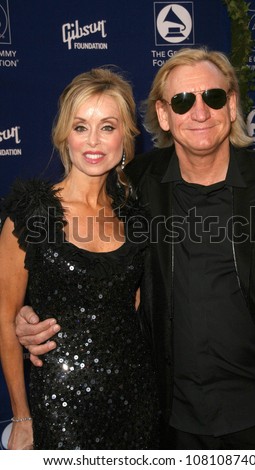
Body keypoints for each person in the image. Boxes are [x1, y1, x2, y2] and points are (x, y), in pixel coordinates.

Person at [15, 47, 255, 450]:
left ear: (232, 105)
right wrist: (29, 315)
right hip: (169, 420)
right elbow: (87, 267)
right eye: (183, 101)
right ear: (164, 116)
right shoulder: (135, 187)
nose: (199, 113)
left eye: (213, 97)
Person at [0, 67, 160, 450]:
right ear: (64, 136)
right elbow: (6, 318)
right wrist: (22, 417)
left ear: (125, 137)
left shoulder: (135, 217)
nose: (94, 140)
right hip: (58, 405)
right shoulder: (32, 213)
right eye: (81, 126)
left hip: (136, 399)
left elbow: (134, 305)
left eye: (107, 126)